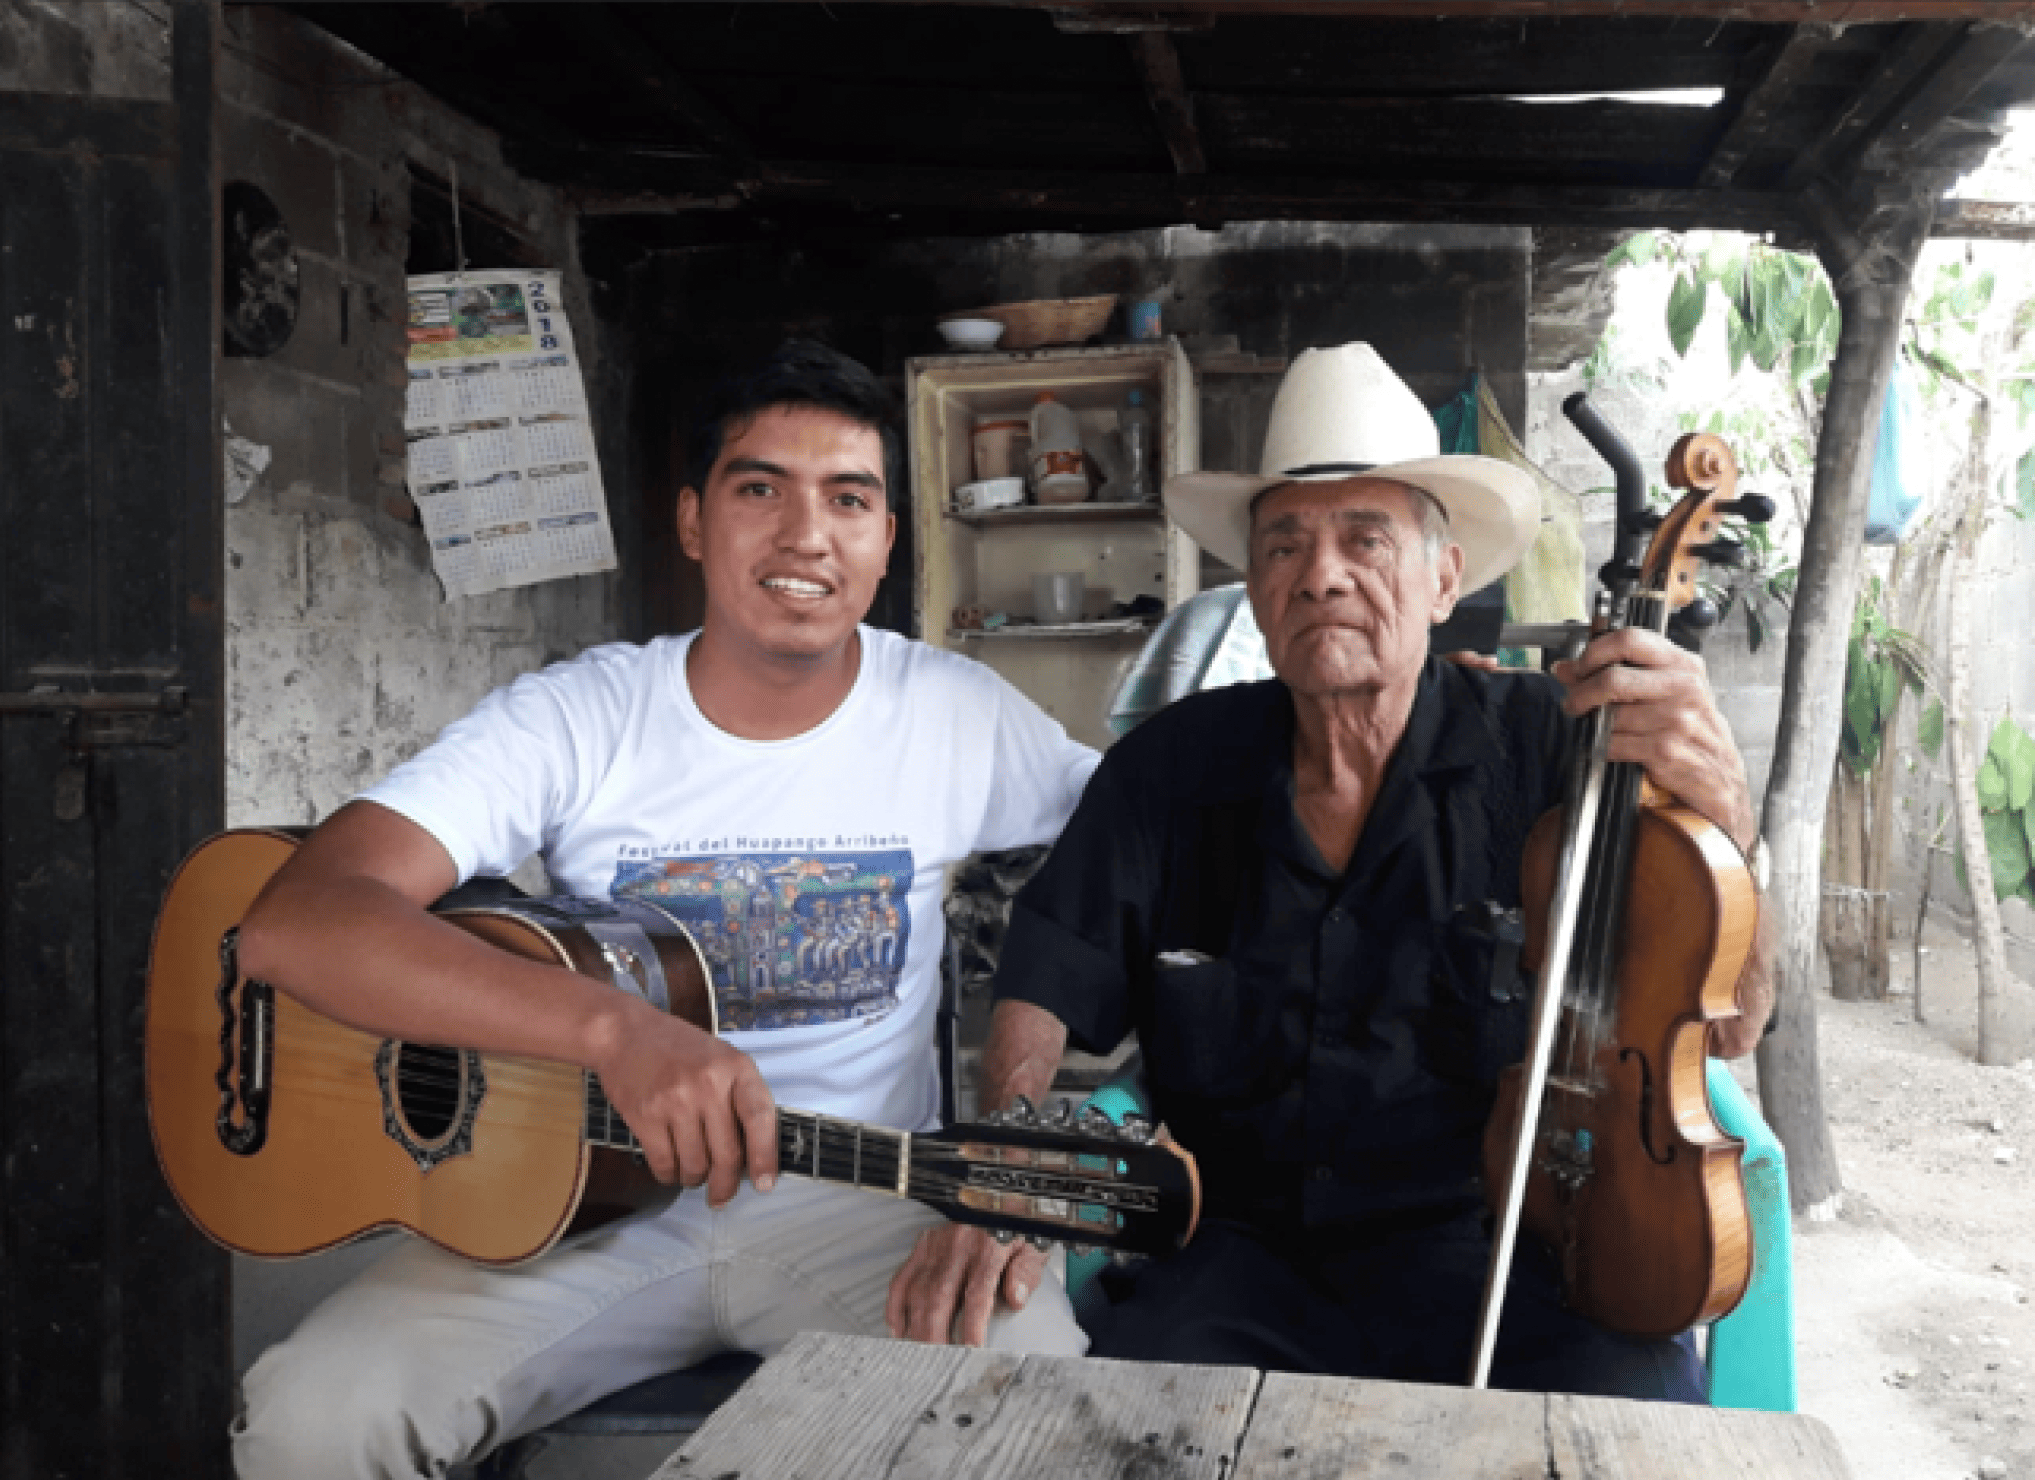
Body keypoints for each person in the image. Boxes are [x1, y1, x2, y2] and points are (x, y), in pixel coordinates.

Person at [231, 341, 1096, 1479]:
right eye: (758, 489)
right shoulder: (577, 715)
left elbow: (1138, 842)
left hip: (862, 1201)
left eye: (848, 498)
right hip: (582, 1207)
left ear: (887, 539)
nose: (805, 535)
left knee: (1034, 1396)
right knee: (314, 1415)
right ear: (693, 521)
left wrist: (1011, 1149)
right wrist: (614, 1029)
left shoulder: (953, 710)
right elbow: (297, 922)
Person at [886, 342, 1776, 1398]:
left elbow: (1728, 1023)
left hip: (1507, 1258)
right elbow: (1041, 982)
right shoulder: (1169, 768)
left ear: (1444, 578)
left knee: (1635, 1433)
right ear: (1253, 587)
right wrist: (1008, 1159)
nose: (1321, 574)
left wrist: (1721, 808)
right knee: (1114, 1425)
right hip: (1235, 1261)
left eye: (1366, 537)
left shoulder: (1558, 748)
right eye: (1284, 545)